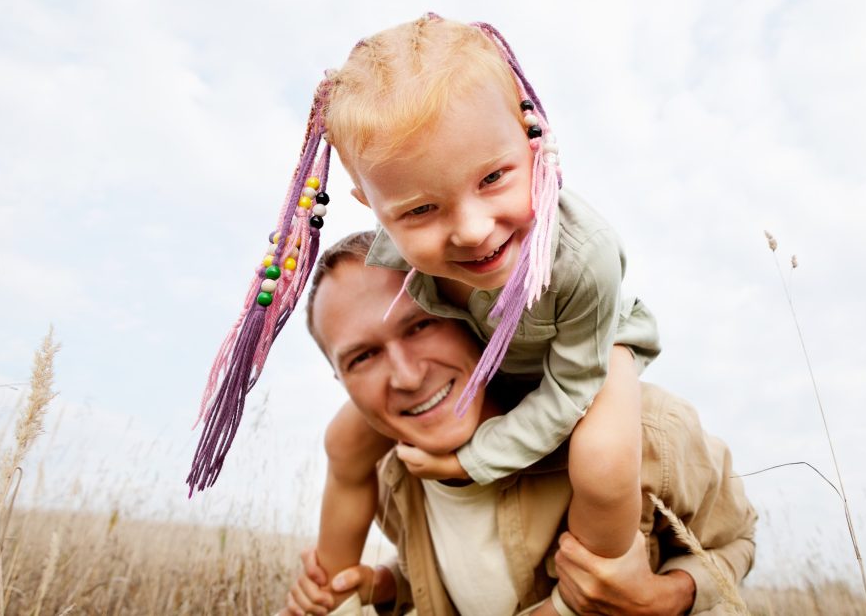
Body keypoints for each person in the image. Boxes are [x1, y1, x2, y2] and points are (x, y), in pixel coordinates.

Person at [189, 13, 663, 614]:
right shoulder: (394, 255)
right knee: (345, 437)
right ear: (370, 205)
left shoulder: (582, 256)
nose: (471, 231)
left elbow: (572, 387)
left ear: (530, 132)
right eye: (418, 210)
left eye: (494, 177)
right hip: (491, 358)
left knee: (600, 455)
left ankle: (590, 592)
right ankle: (332, 596)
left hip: (590, 353)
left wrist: (472, 458)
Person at [283, 232, 758, 615]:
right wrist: (386, 584)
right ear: (339, 378)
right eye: (363, 356)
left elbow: (736, 541)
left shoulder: (645, 429)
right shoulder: (391, 479)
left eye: (421, 324)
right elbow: (467, 578)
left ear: (470, 315)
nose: (407, 376)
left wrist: (667, 597)